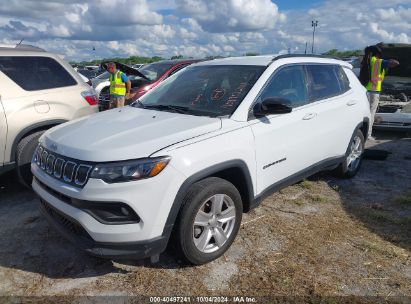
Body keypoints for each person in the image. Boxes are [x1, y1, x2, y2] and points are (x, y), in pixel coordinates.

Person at [359, 44, 399, 140]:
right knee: (371, 114)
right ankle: (368, 135)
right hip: (374, 92)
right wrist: (387, 60)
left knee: (363, 113)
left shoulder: (365, 61)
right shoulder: (378, 61)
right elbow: (396, 63)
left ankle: (360, 133)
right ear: (377, 54)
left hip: (364, 91)